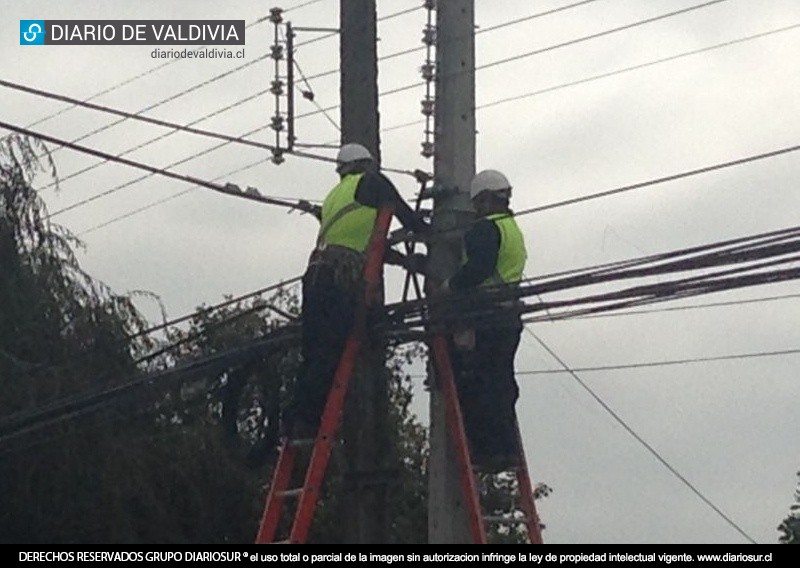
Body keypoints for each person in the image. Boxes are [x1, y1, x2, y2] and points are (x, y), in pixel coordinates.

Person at [285, 143, 428, 439]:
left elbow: (365, 242)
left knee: (314, 351)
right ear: (366, 164)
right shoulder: (372, 182)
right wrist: (429, 234)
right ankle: (309, 423)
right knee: (336, 346)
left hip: (315, 274)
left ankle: (302, 422)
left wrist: (403, 261)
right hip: (341, 277)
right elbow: (402, 213)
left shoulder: (335, 196)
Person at [439, 169, 527, 471]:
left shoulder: (484, 230)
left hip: (486, 316)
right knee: (501, 380)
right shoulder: (511, 227)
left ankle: (486, 450)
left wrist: (451, 286)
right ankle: (506, 449)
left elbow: (478, 269)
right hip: (508, 316)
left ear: (486, 199)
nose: (476, 209)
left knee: (479, 381)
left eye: (478, 203)